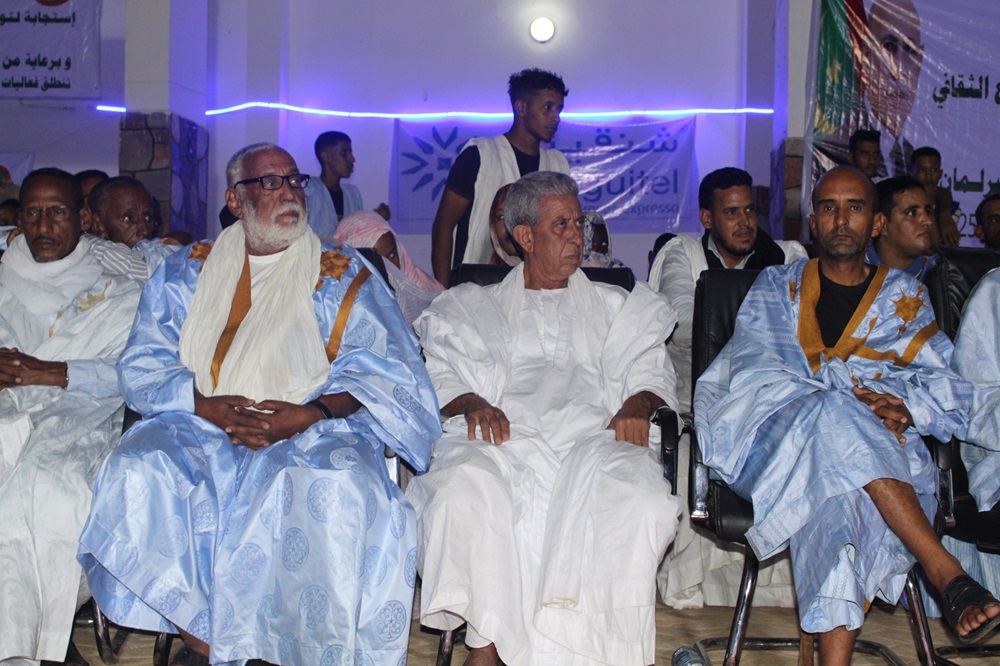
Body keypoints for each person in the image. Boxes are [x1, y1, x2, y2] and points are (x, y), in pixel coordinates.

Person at [78, 143, 441, 666]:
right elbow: (142, 363)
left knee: (335, 485)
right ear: (235, 199)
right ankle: (203, 638)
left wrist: (310, 414)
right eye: (271, 182)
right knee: (141, 465)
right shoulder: (186, 271)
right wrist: (205, 407)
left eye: (295, 181)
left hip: (312, 425)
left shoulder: (342, 273)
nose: (290, 192)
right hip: (201, 417)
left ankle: (293, 648)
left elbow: (391, 371)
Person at [694, 165, 999, 664]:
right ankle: (943, 570)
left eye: (854, 207)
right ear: (813, 222)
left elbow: (951, 389)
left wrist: (909, 407)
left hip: (877, 462)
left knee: (843, 503)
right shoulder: (776, 287)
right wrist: (847, 396)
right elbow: (754, 374)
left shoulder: (905, 297)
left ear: (875, 224)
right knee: (836, 412)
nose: (840, 220)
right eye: (828, 208)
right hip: (779, 448)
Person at [409, 171, 684, 666]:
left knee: (642, 500)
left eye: (579, 223)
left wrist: (638, 404)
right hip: (502, 441)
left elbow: (651, 371)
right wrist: (470, 402)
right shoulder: (471, 306)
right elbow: (439, 375)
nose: (578, 236)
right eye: (562, 225)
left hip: (596, 441)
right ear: (525, 236)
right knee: (459, 488)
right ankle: (487, 643)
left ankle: (593, 652)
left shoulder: (618, 306)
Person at [0, 168, 142, 665]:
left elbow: (134, 373)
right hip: (7, 409)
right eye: (32, 213)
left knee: (46, 488)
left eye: (57, 212)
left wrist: (52, 371)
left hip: (81, 412)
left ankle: (30, 642)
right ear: (18, 219)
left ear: (82, 218)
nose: (43, 226)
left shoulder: (120, 289)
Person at [649, 166, 805, 609]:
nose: (745, 222)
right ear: (707, 218)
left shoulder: (786, 257)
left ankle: (775, 590)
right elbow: (681, 321)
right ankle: (696, 584)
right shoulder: (684, 255)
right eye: (732, 212)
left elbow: (808, 324)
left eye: (750, 211)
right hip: (695, 402)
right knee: (684, 458)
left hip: (770, 402)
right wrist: (763, 319)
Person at [431, 68, 570, 286]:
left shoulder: (557, 165)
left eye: (559, 109)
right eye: (548, 107)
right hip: (474, 288)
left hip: (536, 291)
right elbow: (443, 226)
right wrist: (442, 291)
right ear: (521, 107)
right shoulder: (480, 155)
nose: (556, 118)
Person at [332, 210, 443, 325]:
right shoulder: (335, 312)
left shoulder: (428, 292)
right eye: (376, 262)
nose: (389, 268)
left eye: (392, 255)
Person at [87, 176, 183, 277]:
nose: (145, 231)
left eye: (148, 217)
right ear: (98, 226)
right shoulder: (92, 255)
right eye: (129, 218)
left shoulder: (158, 252)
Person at [311, 131, 390, 233]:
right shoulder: (310, 191)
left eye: (350, 153)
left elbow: (357, 234)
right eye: (344, 153)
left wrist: (377, 218)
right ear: (326, 156)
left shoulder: (353, 195)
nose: (352, 159)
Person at [867, 176, 937, 279]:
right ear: (881, 224)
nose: (928, 221)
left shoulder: (941, 276)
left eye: (927, 211)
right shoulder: (851, 273)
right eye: (911, 213)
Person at [910, 146, 959, 246]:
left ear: (940, 174)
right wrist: (927, 202)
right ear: (912, 173)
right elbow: (932, 243)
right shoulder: (904, 205)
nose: (928, 176)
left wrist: (944, 214)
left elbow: (940, 246)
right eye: (922, 170)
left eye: (933, 170)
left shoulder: (951, 208)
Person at [487, 184, 519, 266]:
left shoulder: (549, 271)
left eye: (517, 215)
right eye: (502, 217)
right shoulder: (481, 273)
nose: (509, 225)